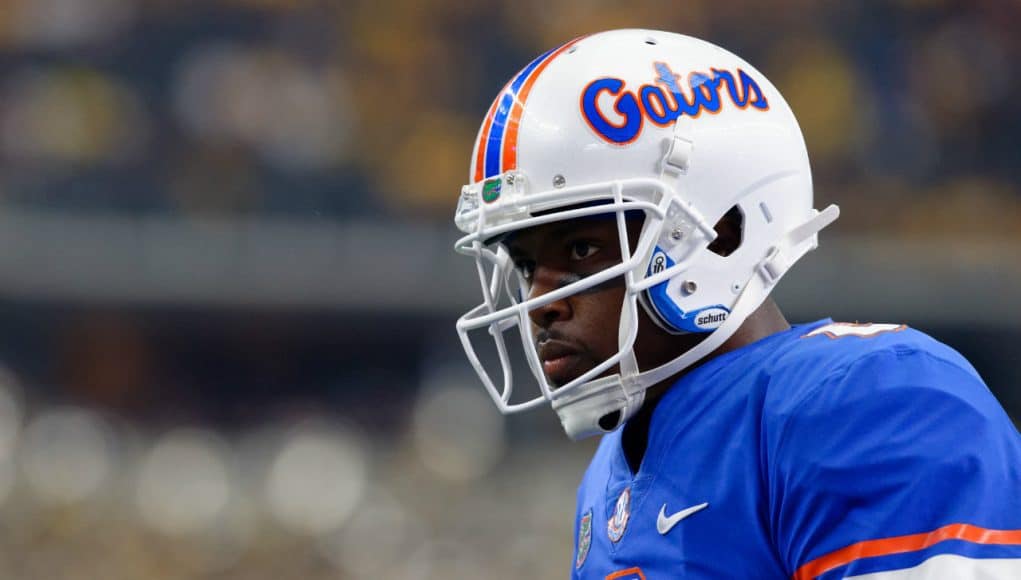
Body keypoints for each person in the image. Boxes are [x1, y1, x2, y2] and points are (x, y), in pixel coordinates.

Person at [452, 29, 1021, 579]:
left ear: (719, 234)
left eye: (581, 248)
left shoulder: (869, 400)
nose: (539, 303)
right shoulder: (611, 471)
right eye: (527, 267)